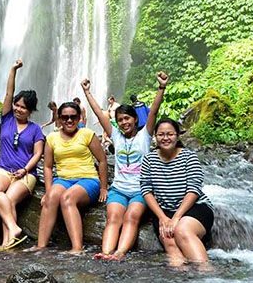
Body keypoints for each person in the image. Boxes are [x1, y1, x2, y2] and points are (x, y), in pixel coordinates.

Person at [82, 72, 168, 261]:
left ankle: (120, 253)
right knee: (113, 218)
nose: (124, 122)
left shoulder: (145, 135)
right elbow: (98, 112)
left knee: (131, 217)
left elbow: (153, 110)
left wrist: (161, 88)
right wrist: (87, 92)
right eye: (120, 120)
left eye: (127, 118)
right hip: (119, 189)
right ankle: (105, 253)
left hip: (141, 191)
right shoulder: (116, 136)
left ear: (135, 119)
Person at [32, 102, 108, 253]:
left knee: (67, 198)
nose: (69, 120)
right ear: (59, 119)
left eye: (73, 117)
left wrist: (104, 187)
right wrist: (48, 192)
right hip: (63, 179)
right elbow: (47, 166)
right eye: (65, 117)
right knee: (52, 196)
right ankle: (40, 246)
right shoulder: (52, 138)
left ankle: (77, 248)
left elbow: (102, 160)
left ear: (79, 117)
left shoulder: (87, 134)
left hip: (88, 179)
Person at [0, 59, 44, 251]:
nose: (18, 109)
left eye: (23, 107)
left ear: (30, 111)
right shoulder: (7, 118)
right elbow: (9, 92)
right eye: (17, 105)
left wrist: (25, 169)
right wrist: (13, 69)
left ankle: (7, 243)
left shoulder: (36, 130)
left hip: (26, 174)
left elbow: (38, 154)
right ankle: (13, 228)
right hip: (3, 169)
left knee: (9, 199)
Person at [141, 118, 214, 266]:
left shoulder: (189, 157)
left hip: (194, 207)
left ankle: (206, 274)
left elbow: (193, 189)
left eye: (170, 134)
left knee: (182, 230)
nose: (165, 138)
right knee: (169, 241)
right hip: (164, 211)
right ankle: (181, 276)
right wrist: (162, 218)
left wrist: (176, 217)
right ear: (155, 136)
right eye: (161, 134)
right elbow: (146, 190)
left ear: (177, 136)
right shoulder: (149, 159)